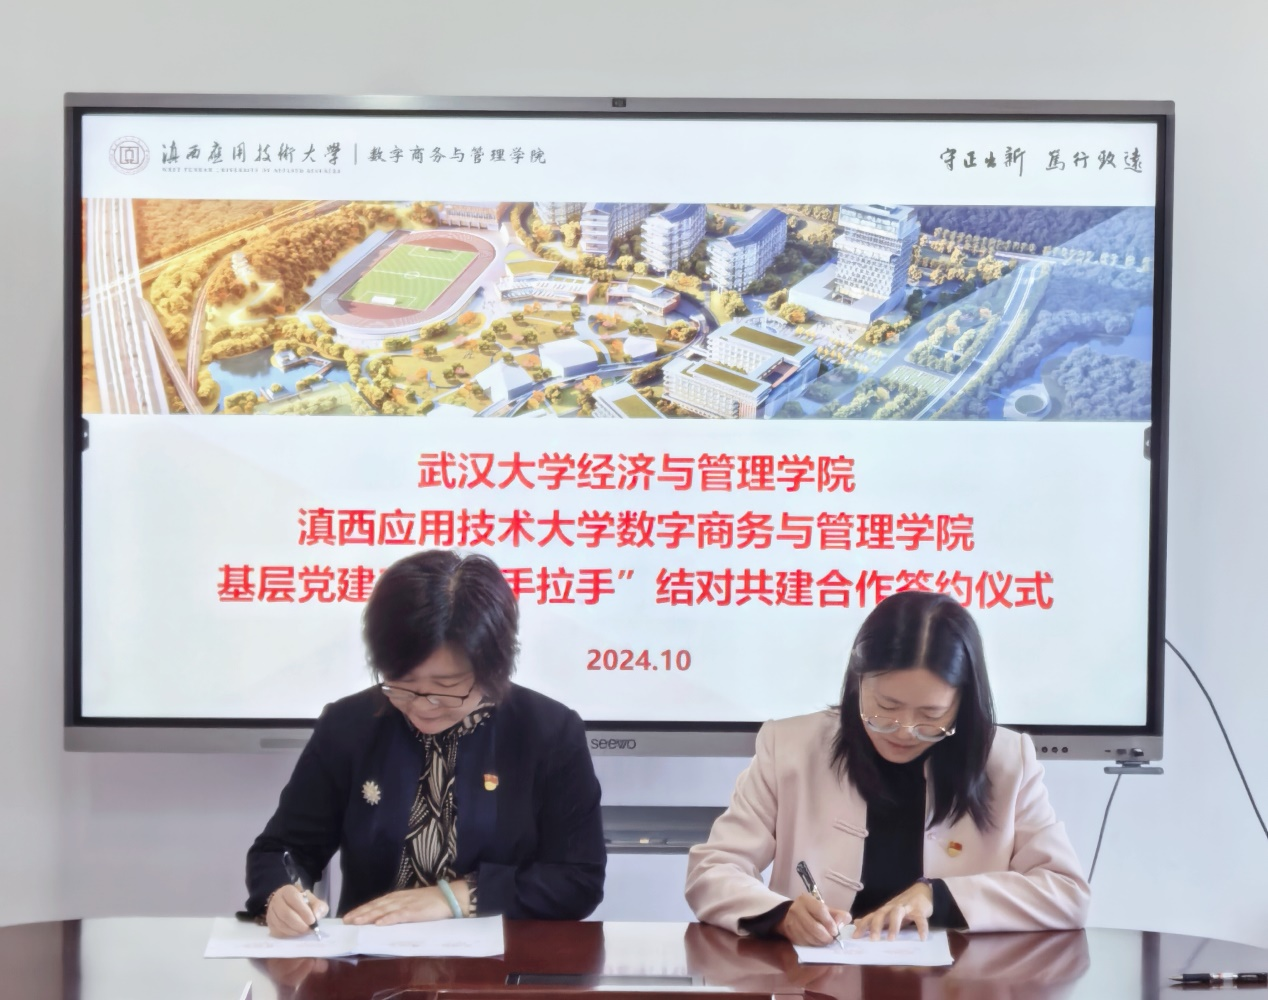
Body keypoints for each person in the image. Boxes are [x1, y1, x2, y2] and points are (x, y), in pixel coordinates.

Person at [685, 590, 1089, 943]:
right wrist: (780, 915)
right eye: (886, 706)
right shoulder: (790, 747)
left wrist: (938, 897)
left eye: (931, 714)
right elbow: (713, 871)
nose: (904, 731)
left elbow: (1066, 892)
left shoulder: (1006, 760)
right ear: (858, 681)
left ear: (962, 704)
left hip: (958, 986)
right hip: (817, 983)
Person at [244, 550, 606, 936]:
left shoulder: (548, 732)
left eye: (445, 687)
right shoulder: (349, 725)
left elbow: (577, 880)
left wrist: (456, 897)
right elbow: (282, 849)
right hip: (370, 955)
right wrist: (280, 894)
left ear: (493, 667)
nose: (421, 705)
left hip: (504, 957)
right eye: (402, 684)